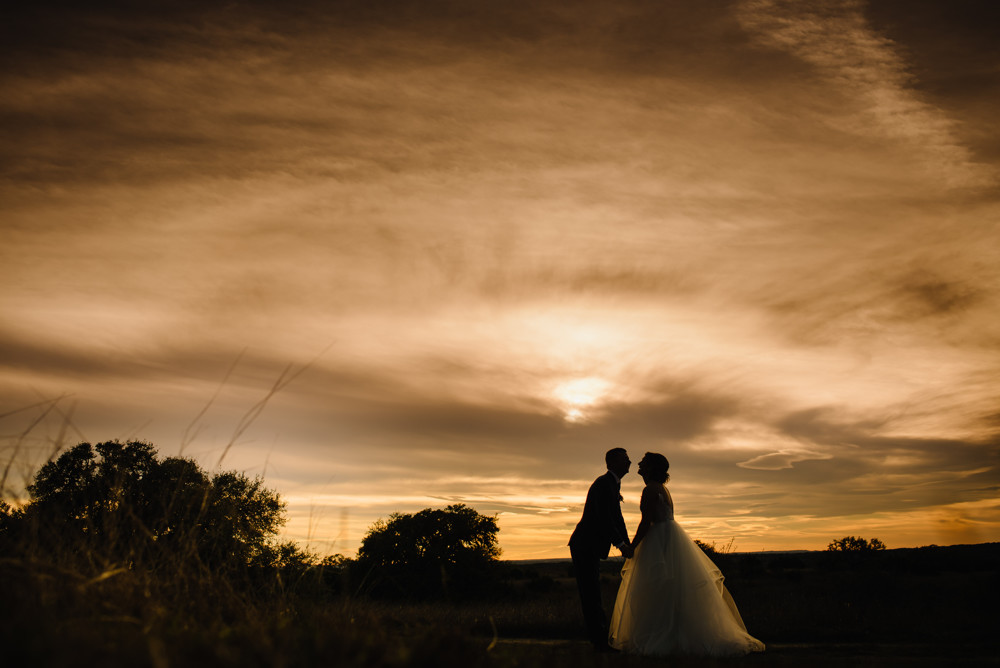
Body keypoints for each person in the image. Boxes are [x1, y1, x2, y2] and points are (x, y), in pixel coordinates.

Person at [608, 452, 765, 657]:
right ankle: (676, 634)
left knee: (655, 589)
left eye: (643, 462)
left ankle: (663, 636)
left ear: (651, 468)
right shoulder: (662, 488)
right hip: (668, 537)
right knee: (670, 589)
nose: (638, 463)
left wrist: (632, 547)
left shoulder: (650, 489)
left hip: (658, 541)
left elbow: (646, 522)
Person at [568, 448, 635, 652]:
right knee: (590, 592)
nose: (630, 462)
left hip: (590, 546)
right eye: (625, 459)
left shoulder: (612, 484)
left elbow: (617, 518)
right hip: (585, 545)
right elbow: (604, 518)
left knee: (593, 591)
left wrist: (628, 542)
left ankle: (600, 639)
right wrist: (622, 545)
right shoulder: (603, 484)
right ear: (613, 462)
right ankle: (599, 642)